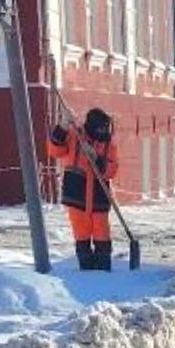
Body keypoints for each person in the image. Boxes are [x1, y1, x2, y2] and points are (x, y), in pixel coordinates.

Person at [48, 107, 120, 271]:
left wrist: (96, 158)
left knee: (102, 233)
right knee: (81, 233)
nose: (104, 132)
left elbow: (112, 169)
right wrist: (62, 127)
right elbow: (55, 150)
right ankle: (85, 268)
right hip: (76, 194)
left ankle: (103, 267)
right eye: (101, 129)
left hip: (99, 197)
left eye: (106, 128)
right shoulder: (75, 136)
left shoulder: (109, 144)